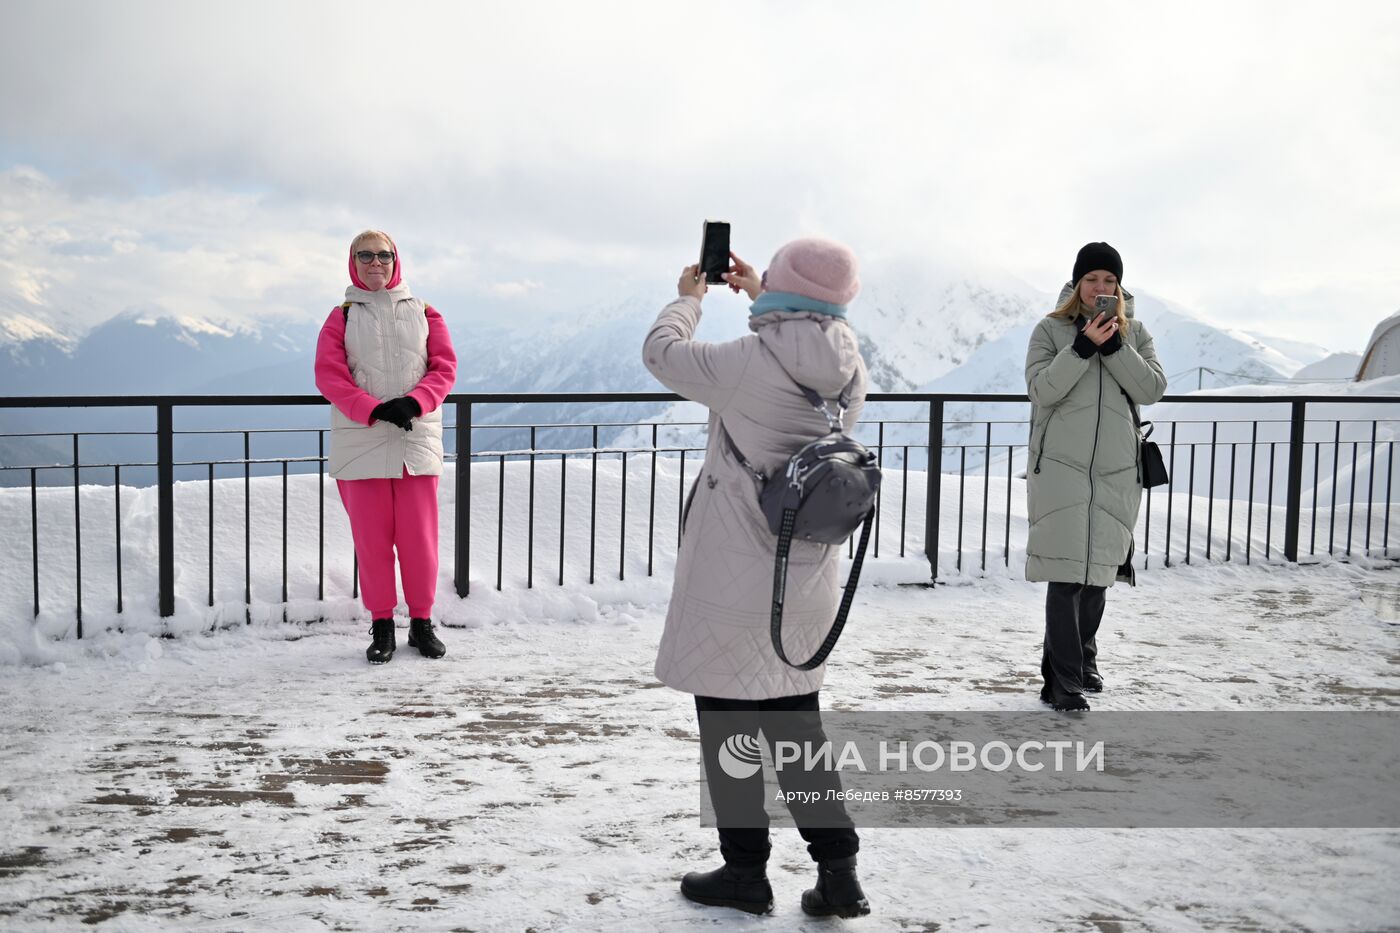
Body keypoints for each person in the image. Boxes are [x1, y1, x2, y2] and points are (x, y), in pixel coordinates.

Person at [643, 238, 872, 918]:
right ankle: (840, 873)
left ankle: (745, 872)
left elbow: (661, 354)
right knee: (798, 729)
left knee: (730, 723)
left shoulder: (747, 360)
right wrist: (765, 298)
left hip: (737, 576)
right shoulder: (850, 362)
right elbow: (800, 348)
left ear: (785, 285)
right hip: (805, 577)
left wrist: (689, 297)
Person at [1025, 242, 1167, 710]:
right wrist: (1082, 346)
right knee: (1066, 574)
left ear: (1119, 289)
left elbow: (1151, 388)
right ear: (1077, 285)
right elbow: (1042, 391)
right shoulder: (1050, 330)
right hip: (1062, 470)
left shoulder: (1137, 334)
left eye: (1110, 281)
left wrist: (1116, 346)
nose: (1100, 288)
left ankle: (1083, 659)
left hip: (1116, 470)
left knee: (1098, 576)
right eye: (1092, 280)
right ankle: (1061, 681)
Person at [314, 230, 458, 664]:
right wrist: (373, 409)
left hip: (414, 442)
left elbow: (444, 368)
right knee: (373, 543)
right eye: (365, 256)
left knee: (420, 542)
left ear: (396, 260)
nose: (375, 263)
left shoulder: (427, 312)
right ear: (352, 262)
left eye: (383, 255)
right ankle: (381, 626)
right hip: (363, 445)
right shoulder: (340, 317)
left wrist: (415, 402)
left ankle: (421, 624)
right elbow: (329, 376)